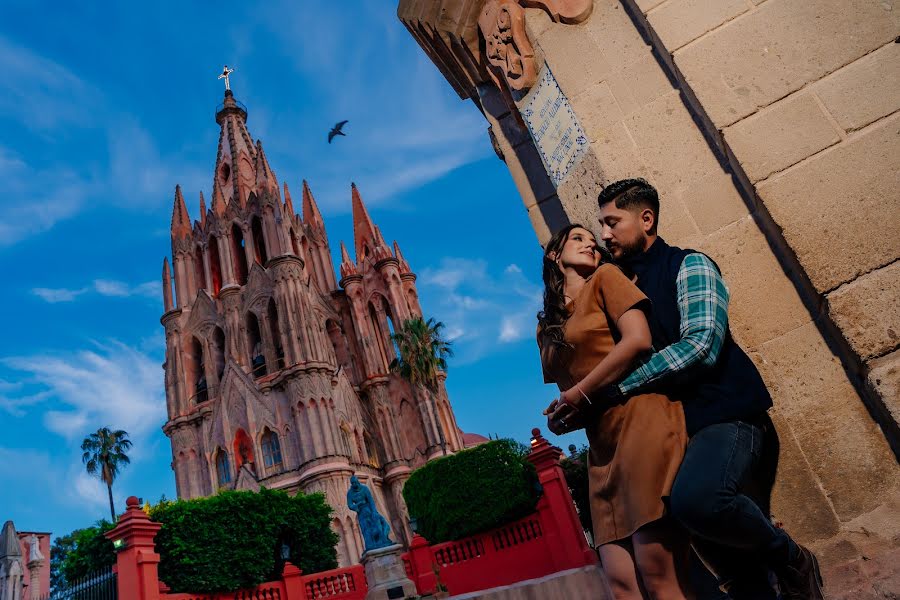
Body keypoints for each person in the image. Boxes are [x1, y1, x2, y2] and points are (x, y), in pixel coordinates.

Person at [594, 178, 824, 600]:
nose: (604, 234)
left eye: (612, 222)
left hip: (727, 416)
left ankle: (791, 557)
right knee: (733, 573)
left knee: (698, 499)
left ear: (646, 219)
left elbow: (701, 345)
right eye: (601, 225)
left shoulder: (689, 265)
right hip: (675, 433)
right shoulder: (620, 290)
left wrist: (620, 386)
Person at [537, 224, 691, 600]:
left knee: (657, 569)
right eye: (578, 239)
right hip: (601, 447)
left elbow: (639, 341)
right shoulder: (546, 327)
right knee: (621, 583)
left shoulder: (606, 277)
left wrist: (578, 393)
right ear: (554, 256)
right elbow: (569, 391)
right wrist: (562, 418)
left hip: (641, 418)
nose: (591, 243)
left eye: (593, 241)